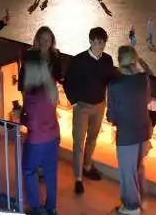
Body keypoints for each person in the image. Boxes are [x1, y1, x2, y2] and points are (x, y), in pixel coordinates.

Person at [62, 27, 115, 194]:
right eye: (98, 42)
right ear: (91, 41)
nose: (101, 45)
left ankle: (87, 166)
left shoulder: (107, 60)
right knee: (79, 142)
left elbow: (110, 80)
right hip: (82, 106)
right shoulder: (79, 60)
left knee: (92, 138)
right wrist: (75, 102)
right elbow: (67, 82)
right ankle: (78, 178)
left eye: (103, 42)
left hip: (99, 105)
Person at [108, 45, 153, 214]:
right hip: (143, 130)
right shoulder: (143, 79)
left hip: (126, 133)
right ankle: (141, 200)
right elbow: (147, 99)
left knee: (127, 172)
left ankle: (131, 207)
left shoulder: (115, 85)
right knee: (138, 167)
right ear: (135, 60)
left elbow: (111, 115)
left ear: (119, 61)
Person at [20, 53, 60, 215]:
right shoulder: (51, 89)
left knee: (29, 170)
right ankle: (51, 208)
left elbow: (33, 123)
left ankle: (35, 207)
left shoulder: (31, 94)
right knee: (50, 173)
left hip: (37, 139)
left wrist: (21, 117)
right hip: (53, 136)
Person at [18, 26, 63, 92]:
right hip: (35, 93)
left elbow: (58, 74)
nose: (46, 42)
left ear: (52, 40)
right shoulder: (30, 55)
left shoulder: (56, 54)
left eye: (49, 39)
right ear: (38, 40)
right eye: (43, 39)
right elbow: (22, 78)